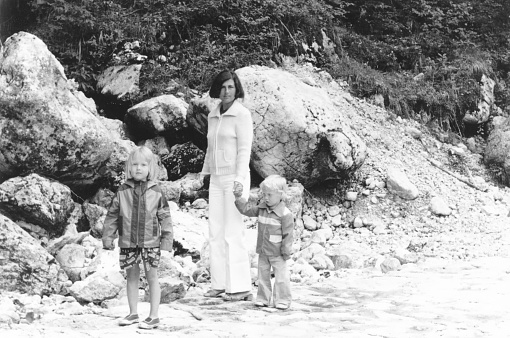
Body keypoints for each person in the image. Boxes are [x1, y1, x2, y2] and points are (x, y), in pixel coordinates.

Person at [196, 69, 254, 301]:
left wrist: (240, 181)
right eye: (223, 87)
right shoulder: (213, 115)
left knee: (233, 232)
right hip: (217, 180)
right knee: (215, 231)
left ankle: (240, 288)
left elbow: (244, 151)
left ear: (236, 88)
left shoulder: (242, 115)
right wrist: (205, 173)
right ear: (217, 90)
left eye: (231, 87)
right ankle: (219, 284)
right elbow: (210, 149)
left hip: (234, 178)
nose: (227, 91)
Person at [102, 146, 173, 329]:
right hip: (128, 241)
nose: (138, 168)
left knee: (152, 277)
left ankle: (154, 315)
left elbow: (165, 217)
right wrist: (108, 237)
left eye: (143, 164)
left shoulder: (157, 191)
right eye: (135, 164)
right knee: (131, 277)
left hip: (151, 243)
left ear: (151, 168)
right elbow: (112, 215)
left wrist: (166, 241)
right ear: (129, 167)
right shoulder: (122, 190)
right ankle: (133, 313)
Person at [234, 174, 294, 310]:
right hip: (263, 250)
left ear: (281, 195)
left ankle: (282, 299)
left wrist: (286, 251)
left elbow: (288, 235)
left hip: (278, 253)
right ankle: (263, 298)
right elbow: (246, 210)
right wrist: (238, 198)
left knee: (281, 278)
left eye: (269, 195)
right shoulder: (261, 209)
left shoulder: (285, 214)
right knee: (263, 276)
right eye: (264, 194)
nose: (266, 198)